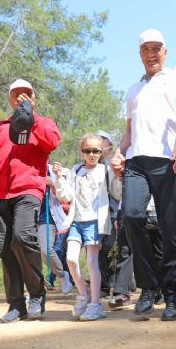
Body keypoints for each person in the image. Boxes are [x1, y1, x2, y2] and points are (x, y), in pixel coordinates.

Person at [110, 29, 176, 321]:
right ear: (140, 54)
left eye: (157, 48)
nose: (152, 53)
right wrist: (119, 152)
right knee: (131, 217)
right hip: (136, 162)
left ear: (165, 52)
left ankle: (173, 297)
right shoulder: (133, 90)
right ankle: (148, 288)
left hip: (169, 162)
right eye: (146, 49)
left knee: (172, 231)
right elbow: (130, 131)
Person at [0, 79, 60, 322]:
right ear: (10, 100)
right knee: (5, 250)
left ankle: (36, 294)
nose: (21, 99)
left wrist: (30, 119)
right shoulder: (2, 126)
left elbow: (52, 142)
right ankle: (16, 304)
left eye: (26, 95)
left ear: (34, 99)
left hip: (28, 190)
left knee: (23, 238)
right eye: (16, 96)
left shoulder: (43, 123)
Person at [54, 133, 121, 321]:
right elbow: (66, 196)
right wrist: (60, 178)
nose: (91, 155)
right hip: (76, 220)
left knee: (92, 262)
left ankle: (95, 304)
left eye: (96, 151)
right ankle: (83, 294)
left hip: (95, 221)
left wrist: (118, 176)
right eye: (87, 150)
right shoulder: (75, 170)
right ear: (81, 151)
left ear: (103, 152)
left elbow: (117, 193)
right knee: (71, 259)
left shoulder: (105, 170)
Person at [38, 162, 73, 295]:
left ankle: (62, 275)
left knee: (46, 249)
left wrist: (52, 183)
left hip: (46, 215)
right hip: (26, 215)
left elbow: (65, 196)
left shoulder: (54, 170)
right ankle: (36, 290)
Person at [96, 130, 119, 297]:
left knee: (111, 246)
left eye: (101, 144)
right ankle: (104, 285)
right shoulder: (88, 166)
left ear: (109, 148)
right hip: (94, 214)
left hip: (112, 212)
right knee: (99, 248)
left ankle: (119, 280)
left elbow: (117, 191)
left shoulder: (112, 166)